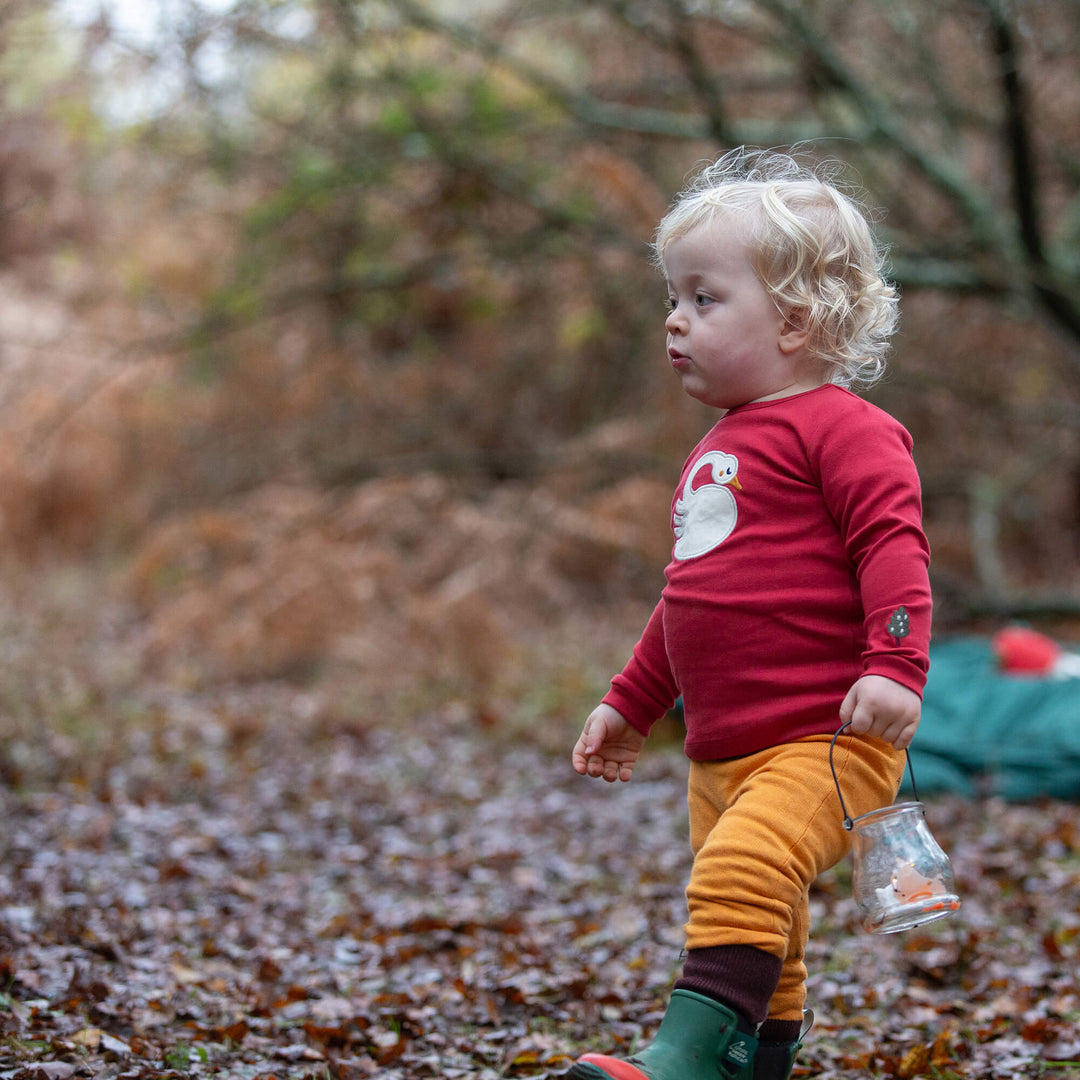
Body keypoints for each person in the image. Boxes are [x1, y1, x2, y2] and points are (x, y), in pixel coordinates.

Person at [564, 148, 932, 1080]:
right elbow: (689, 594)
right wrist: (630, 702)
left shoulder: (846, 429)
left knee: (741, 876)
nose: (674, 321)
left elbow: (894, 548)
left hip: (827, 741)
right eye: (674, 298)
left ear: (796, 321)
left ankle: (684, 1063)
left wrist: (895, 667)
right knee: (764, 923)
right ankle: (755, 1065)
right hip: (720, 748)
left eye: (704, 299)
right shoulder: (719, 446)